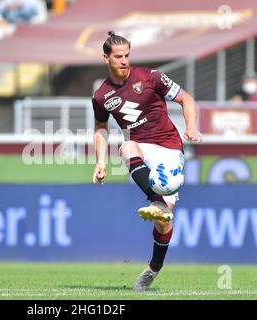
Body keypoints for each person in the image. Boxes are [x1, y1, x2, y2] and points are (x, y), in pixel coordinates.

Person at [92, 31, 203, 291]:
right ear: (105, 57)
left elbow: (186, 98)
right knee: (127, 145)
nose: (123, 61)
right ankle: (157, 201)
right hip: (140, 145)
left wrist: (191, 126)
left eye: (127, 55)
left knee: (164, 222)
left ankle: (154, 267)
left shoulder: (151, 77)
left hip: (168, 147)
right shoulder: (101, 95)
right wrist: (100, 161)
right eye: (117, 56)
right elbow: (100, 127)